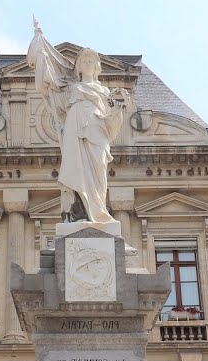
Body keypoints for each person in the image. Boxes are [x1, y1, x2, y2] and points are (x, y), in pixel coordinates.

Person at [28, 19, 131, 225]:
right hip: (75, 130)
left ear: (97, 67)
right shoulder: (72, 88)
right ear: (78, 68)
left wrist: (118, 111)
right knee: (76, 169)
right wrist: (42, 57)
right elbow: (53, 92)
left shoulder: (104, 91)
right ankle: (79, 213)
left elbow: (111, 123)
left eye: (92, 61)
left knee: (99, 170)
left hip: (97, 131)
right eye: (84, 61)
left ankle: (98, 212)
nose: (88, 64)